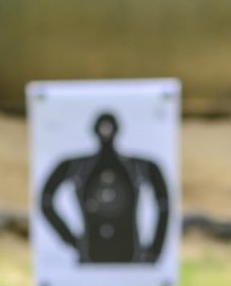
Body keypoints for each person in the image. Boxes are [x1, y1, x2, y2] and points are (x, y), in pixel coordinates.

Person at [39, 111, 171, 264]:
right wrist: (71, 240)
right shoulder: (77, 166)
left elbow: (163, 205)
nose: (106, 133)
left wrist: (156, 250)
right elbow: (46, 201)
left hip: (125, 251)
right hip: (93, 251)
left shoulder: (139, 166)